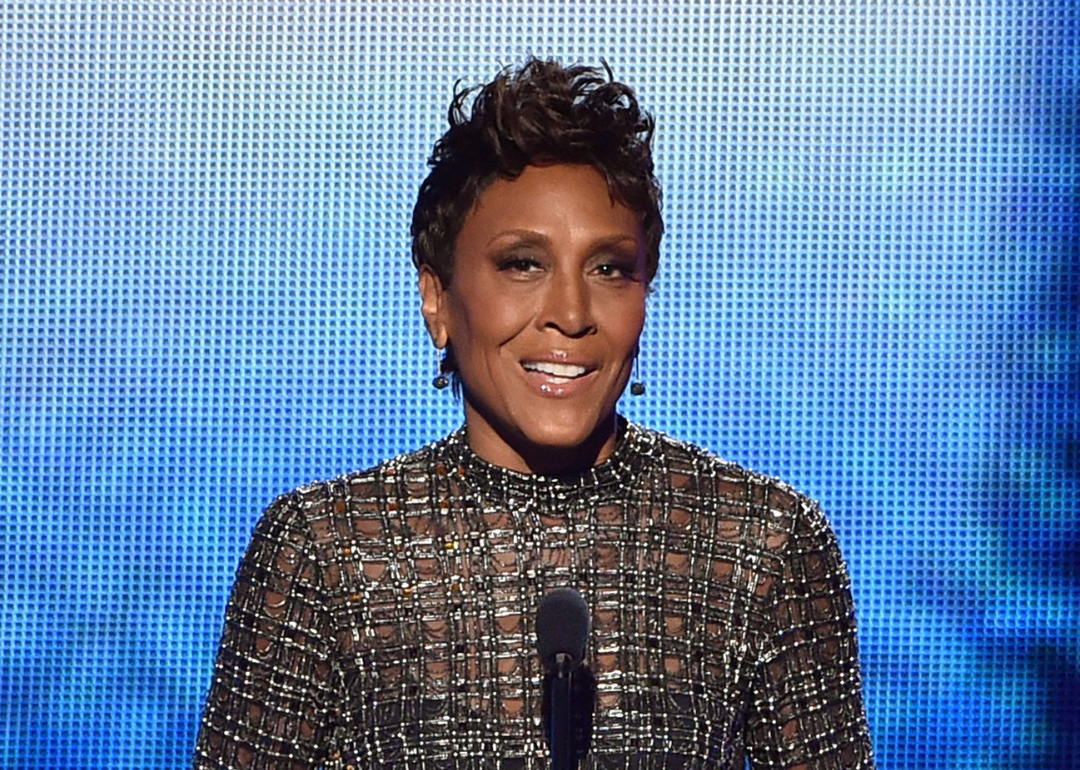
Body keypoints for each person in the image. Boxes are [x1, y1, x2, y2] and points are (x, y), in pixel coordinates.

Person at [193, 58, 875, 770]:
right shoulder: (326, 553)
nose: (572, 316)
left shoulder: (763, 543)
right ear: (436, 296)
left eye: (610, 268)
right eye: (523, 264)